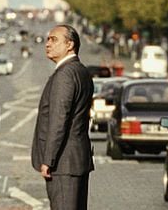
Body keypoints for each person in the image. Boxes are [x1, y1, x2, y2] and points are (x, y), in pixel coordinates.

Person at [31, 24, 94, 210]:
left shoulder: (65, 74)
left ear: (70, 45)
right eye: (48, 39)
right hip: (76, 159)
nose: (48, 44)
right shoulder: (80, 70)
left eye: (54, 39)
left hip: (63, 163)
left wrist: (48, 160)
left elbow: (59, 120)